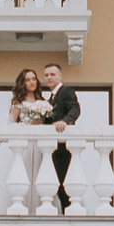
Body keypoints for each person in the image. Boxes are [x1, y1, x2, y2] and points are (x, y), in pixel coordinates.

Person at [38, 62, 81, 208]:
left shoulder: (66, 92)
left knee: (64, 184)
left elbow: (75, 109)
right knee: (56, 184)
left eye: (52, 74)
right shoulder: (50, 99)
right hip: (52, 149)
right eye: (46, 75)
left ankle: (70, 213)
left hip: (63, 149)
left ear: (60, 76)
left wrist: (65, 121)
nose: (49, 77)